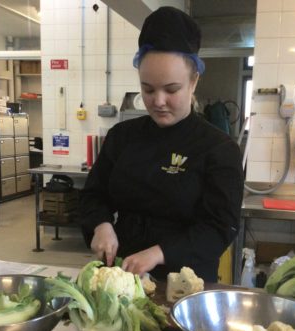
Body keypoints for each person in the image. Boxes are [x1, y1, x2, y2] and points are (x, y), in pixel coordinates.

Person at [79, 6, 244, 282]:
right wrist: (101, 225)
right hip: (123, 279)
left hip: (184, 284)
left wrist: (158, 253)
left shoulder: (218, 148)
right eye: (148, 89)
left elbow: (219, 228)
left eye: (171, 89)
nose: (158, 101)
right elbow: (93, 196)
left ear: (193, 82)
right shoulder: (122, 136)